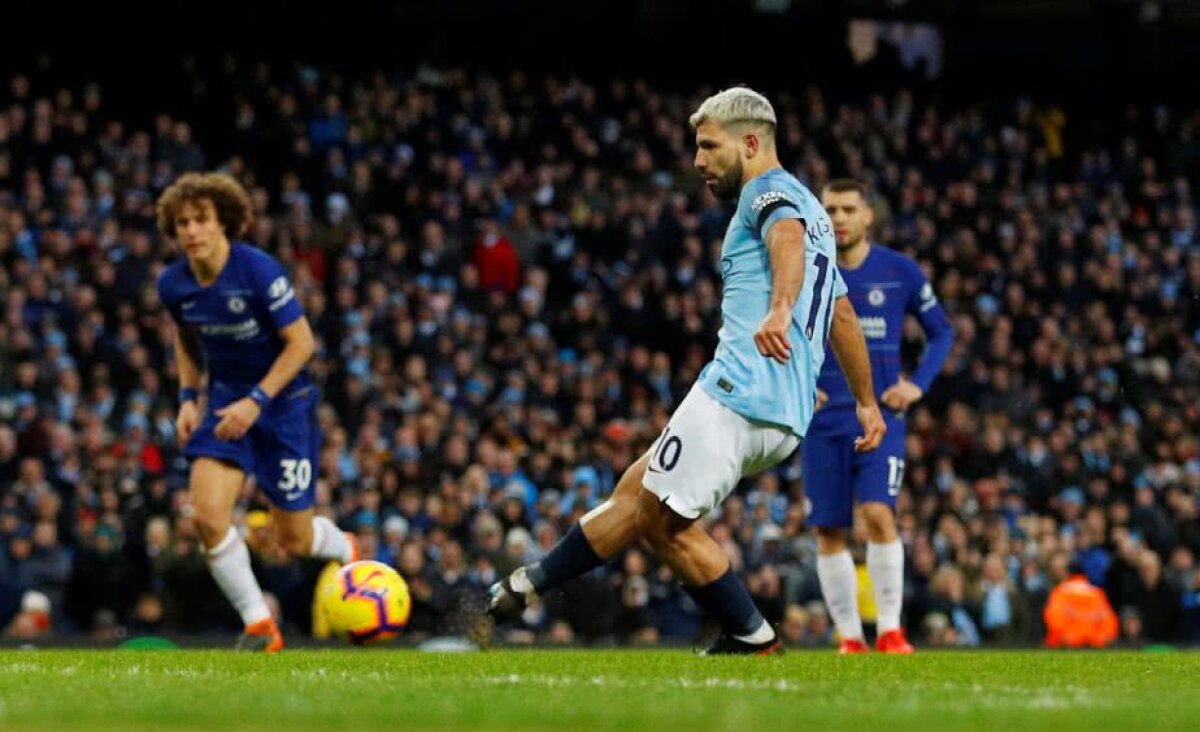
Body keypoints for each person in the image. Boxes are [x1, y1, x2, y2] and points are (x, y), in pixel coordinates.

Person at [489, 87, 886, 655]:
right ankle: (527, 584)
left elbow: (786, 241)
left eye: (708, 146)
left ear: (750, 143)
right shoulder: (814, 210)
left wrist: (777, 310)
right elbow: (842, 312)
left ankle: (752, 634)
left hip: (738, 391)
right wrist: (866, 401)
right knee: (635, 490)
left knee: (657, 519)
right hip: (782, 412)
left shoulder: (766, 193)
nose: (698, 161)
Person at [156, 172, 358, 652]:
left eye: (201, 220)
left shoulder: (259, 272)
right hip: (227, 406)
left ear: (223, 223)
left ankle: (341, 546)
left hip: (284, 406)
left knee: (293, 539)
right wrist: (187, 398)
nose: (191, 231)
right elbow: (185, 338)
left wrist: (258, 401)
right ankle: (259, 625)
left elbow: (302, 343)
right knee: (206, 517)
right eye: (182, 222)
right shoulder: (173, 283)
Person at [804, 179, 954, 654]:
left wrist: (917, 384)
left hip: (881, 417)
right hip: (822, 421)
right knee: (828, 528)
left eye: (848, 209)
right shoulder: (805, 271)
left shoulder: (900, 272)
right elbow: (780, 332)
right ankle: (850, 638)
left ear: (868, 215)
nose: (838, 219)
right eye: (829, 210)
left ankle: (889, 629)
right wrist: (800, 385)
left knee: (877, 513)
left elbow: (942, 333)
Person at [1043, 560, 1119, 648]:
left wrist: (1067, 636)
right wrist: (1101, 637)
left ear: (1067, 573)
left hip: (1067, 645)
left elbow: (1053, 617)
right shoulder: (1096, 593)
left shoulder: (1061, 591)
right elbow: (1109, 619)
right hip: (1093, 645)